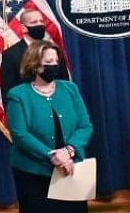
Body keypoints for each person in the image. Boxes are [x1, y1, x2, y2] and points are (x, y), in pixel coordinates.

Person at [5, 41, 93, 213]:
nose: (54, 65)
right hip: (34, 171)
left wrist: (68, 151)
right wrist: (52, 156)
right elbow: (20, 134)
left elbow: (85, 126)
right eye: (48, 63)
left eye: (56, 61)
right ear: (35, 66)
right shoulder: (18, 95)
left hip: (70, 167)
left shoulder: (70, 89)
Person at [1, 7, 69, 94]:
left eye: (41, 21)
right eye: (34, 22)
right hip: (27, 105)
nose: (40, 25)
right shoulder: (11, 55)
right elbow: (8, 91)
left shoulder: (54, 50)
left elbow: (64, 83)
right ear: (23, 28)